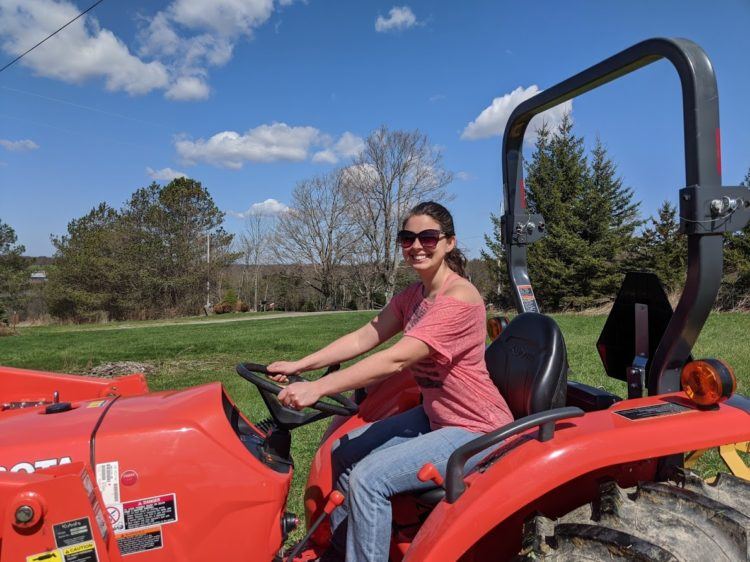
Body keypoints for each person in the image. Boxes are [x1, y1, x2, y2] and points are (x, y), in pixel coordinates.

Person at [267, 201, 513, 562]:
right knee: (344, 450)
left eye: (428, 237)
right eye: (407, 237)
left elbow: (397, 358)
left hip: (476, 427)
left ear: (449, 243)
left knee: (369, 479)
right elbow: (366, 335)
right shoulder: (415, 295)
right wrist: (300, 363)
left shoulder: (459, 299)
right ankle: (336, 551)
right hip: (437, 415)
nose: (416, 246)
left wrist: (316, 388)